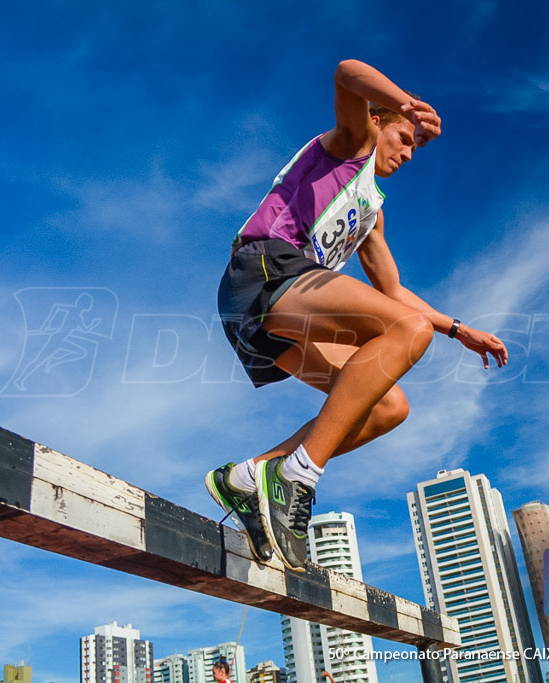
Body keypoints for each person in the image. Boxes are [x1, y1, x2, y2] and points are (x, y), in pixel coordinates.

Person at [206, 59, 508, 571]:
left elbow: (393, 291)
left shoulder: (373, 211)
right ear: (379, 123)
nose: (410, 153)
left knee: (389, 406)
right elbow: (346, 72)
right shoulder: (352, 145)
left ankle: (247, 477)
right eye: (405, 139)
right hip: (263, 269)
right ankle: (298, 476)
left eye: (416, 147)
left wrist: (458, 330)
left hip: (283, 305)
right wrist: (407, 102)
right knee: (403, 329)